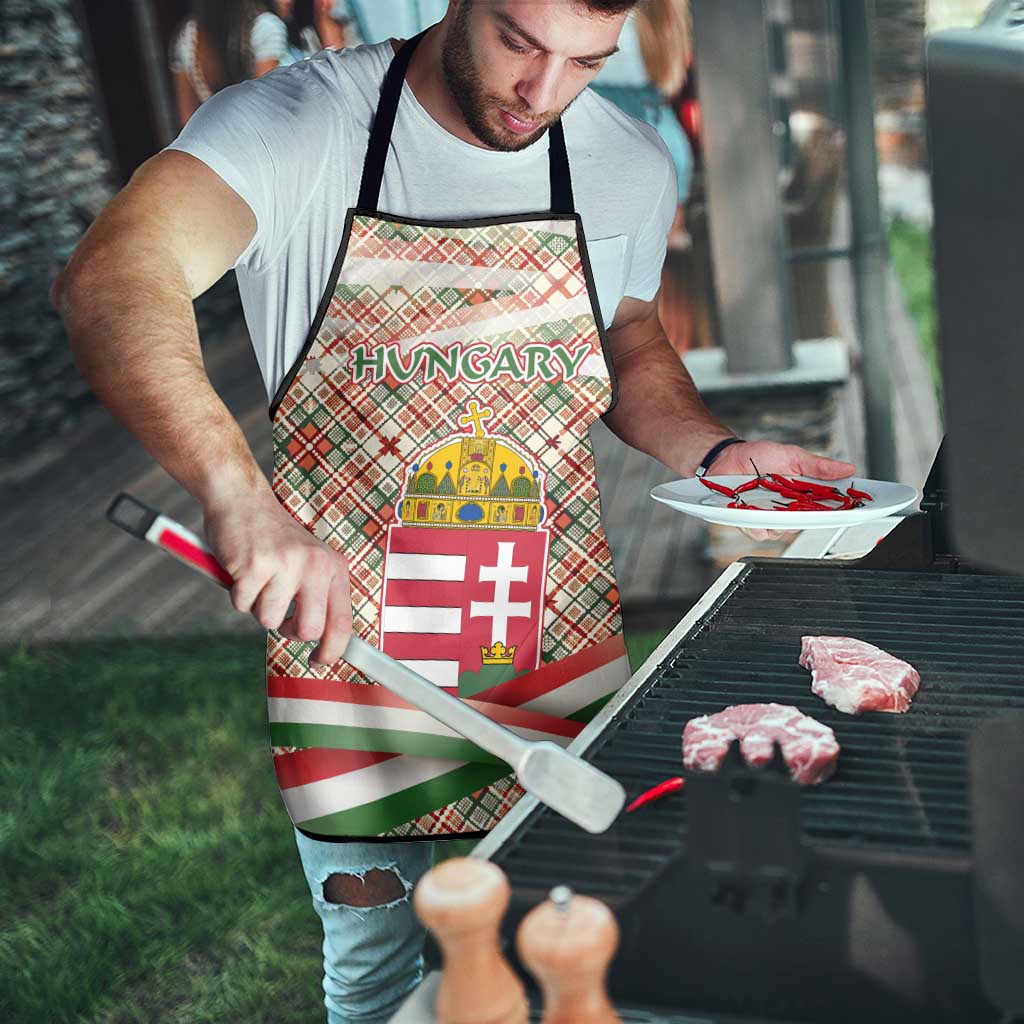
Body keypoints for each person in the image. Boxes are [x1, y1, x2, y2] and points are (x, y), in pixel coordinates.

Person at [52, 2, 856, 1020]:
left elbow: (629, 337)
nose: (543, 93)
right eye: (520, 42)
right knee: (384, 980)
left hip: (549, 657)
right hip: (357, 669)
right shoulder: (297, 125)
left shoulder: (625, 160)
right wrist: (236, 495)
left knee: (564, 956)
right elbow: (113, 275)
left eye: (585, 62)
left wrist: (717, 449)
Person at [169, 0, 289, 127]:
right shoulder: (266, 27)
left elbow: (187, 120)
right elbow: (266, 107)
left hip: (215, 140)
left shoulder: (188, 37)